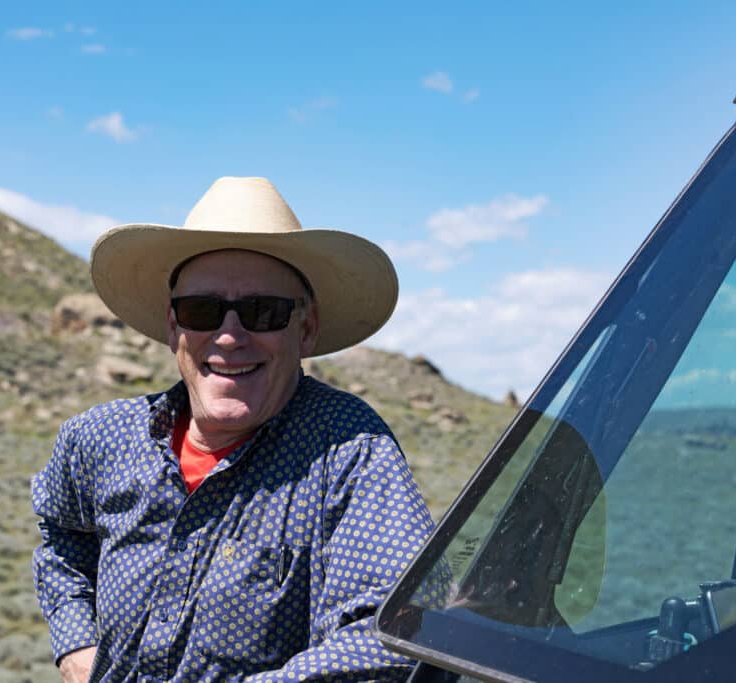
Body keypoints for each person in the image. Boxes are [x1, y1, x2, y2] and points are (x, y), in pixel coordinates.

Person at [31, 176, 448, 682]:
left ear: (307, 328)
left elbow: (396, 630)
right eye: (201, 310)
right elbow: (61, 538)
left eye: (263, 312)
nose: (229, 336)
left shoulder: (349, 450)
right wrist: (77, 643)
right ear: (173, 326)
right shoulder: (100, 439)